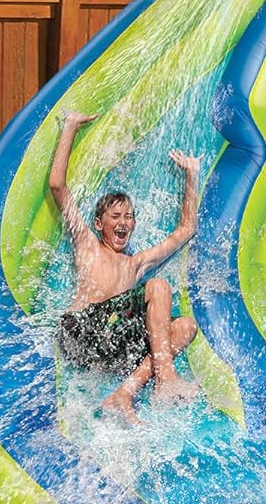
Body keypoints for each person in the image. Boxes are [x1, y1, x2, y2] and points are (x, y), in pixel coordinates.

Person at [48, 110, 201, 422]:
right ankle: (166, 379)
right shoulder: (87, 244)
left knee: (185, 326)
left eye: (129, 216)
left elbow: (186, 230)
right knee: (158, 287)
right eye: (115, 216)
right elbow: (57, 185)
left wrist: (192, 174)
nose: (123, 222)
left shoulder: (135, 264)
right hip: (84, 331)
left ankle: (124, 393)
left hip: (115, 346)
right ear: (98, 223)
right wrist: (71, 125)